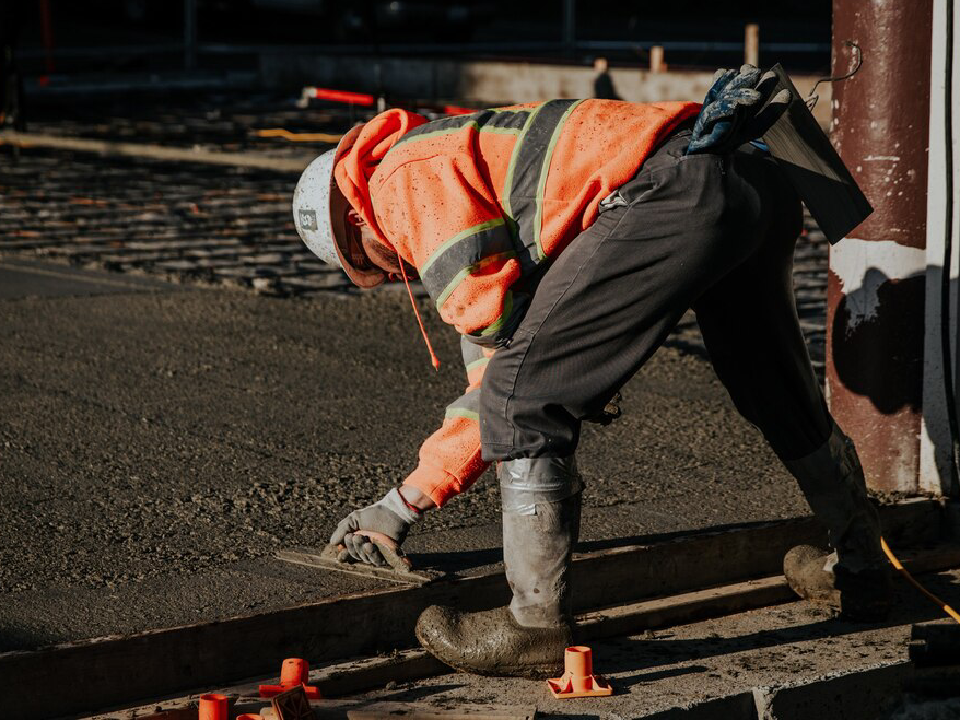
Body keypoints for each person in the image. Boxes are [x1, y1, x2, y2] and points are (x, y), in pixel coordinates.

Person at [291, 66, 892, 678]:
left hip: (675, 187)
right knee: (775, 388)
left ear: (354, 222)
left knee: (524, 398)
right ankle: (863, 566)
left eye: (369, 264)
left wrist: (400, 505)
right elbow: (506, 349)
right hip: (749, 174)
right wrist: (405, 504)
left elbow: (504, 379)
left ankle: (533, 626)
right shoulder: (456, 154)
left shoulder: (403, 186)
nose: (393, 274)